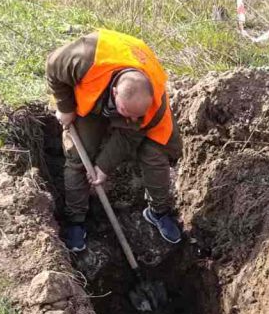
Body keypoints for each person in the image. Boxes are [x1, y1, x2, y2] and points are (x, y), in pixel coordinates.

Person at [46, 28, 183, 252]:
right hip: (92, 97)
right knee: (79, 158)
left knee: (156, 154)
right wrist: (65, 107)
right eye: (126, 112)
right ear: (116, 92)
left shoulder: (151, 106)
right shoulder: (84, 58)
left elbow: (129, 135)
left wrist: (103, 168)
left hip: (133, 103)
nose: (131, 119)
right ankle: (76, 221)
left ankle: (158, 212)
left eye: (136, 116)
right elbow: (52, 65)